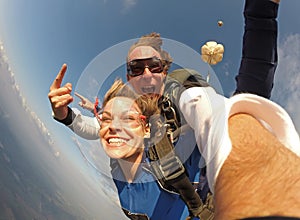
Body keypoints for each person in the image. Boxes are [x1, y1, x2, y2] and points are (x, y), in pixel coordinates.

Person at [48, 0, 282, 218]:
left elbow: (214, 111)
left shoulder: (180, 95)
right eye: (137, 68)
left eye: (154, 66)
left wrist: (261, 12)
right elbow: (98, 129)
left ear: (165, 71)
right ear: (129, 76)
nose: (147, 74)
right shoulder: (126, 110)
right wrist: (65, 115)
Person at [94, 78, 206, 220]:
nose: (113, 126)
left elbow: (217, 126)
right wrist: (66, 116)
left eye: (127, 118)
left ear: (146, 129)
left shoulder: (171, 158)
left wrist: (196, 100)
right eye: (106, 119)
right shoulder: (118, 169)